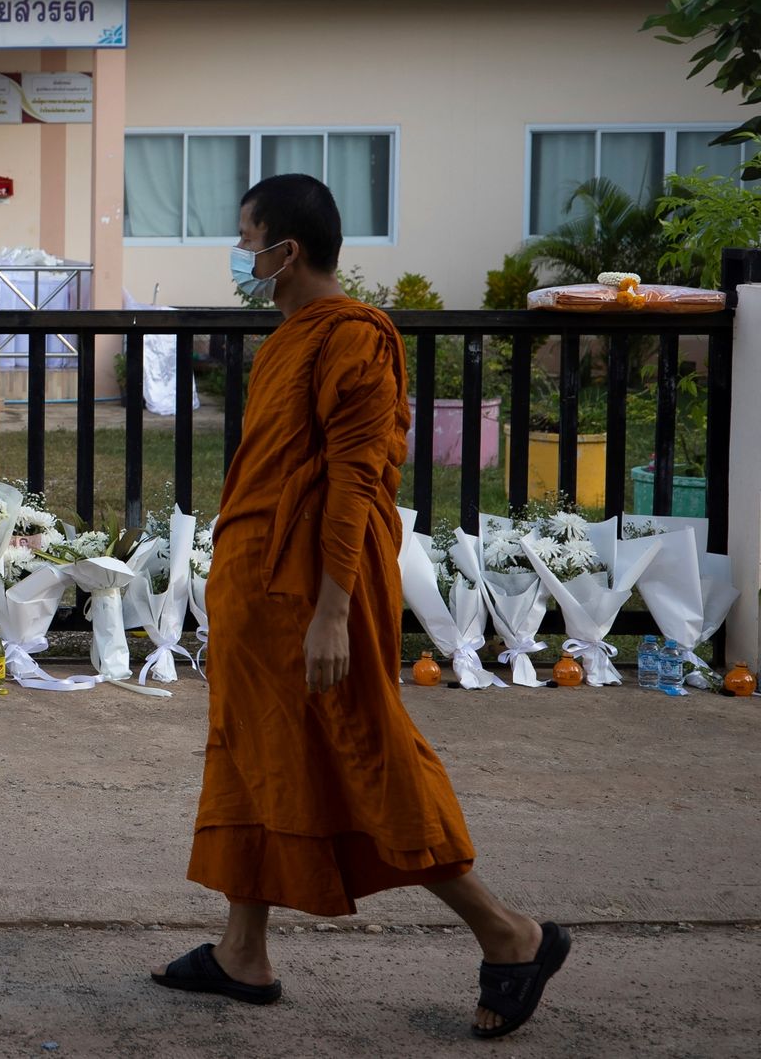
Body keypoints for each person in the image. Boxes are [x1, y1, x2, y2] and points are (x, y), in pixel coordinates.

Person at [149, 174, 568, 1040]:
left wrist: (333, 610)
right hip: (262, 592)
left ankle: (508, 932)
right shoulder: (289, 337)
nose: (242, 255)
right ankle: (242, 951)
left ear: (288, 250)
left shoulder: (355, 337)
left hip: (316, 592)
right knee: (256, 752)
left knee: (366, 751)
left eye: (247, 239)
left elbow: (352, 480)